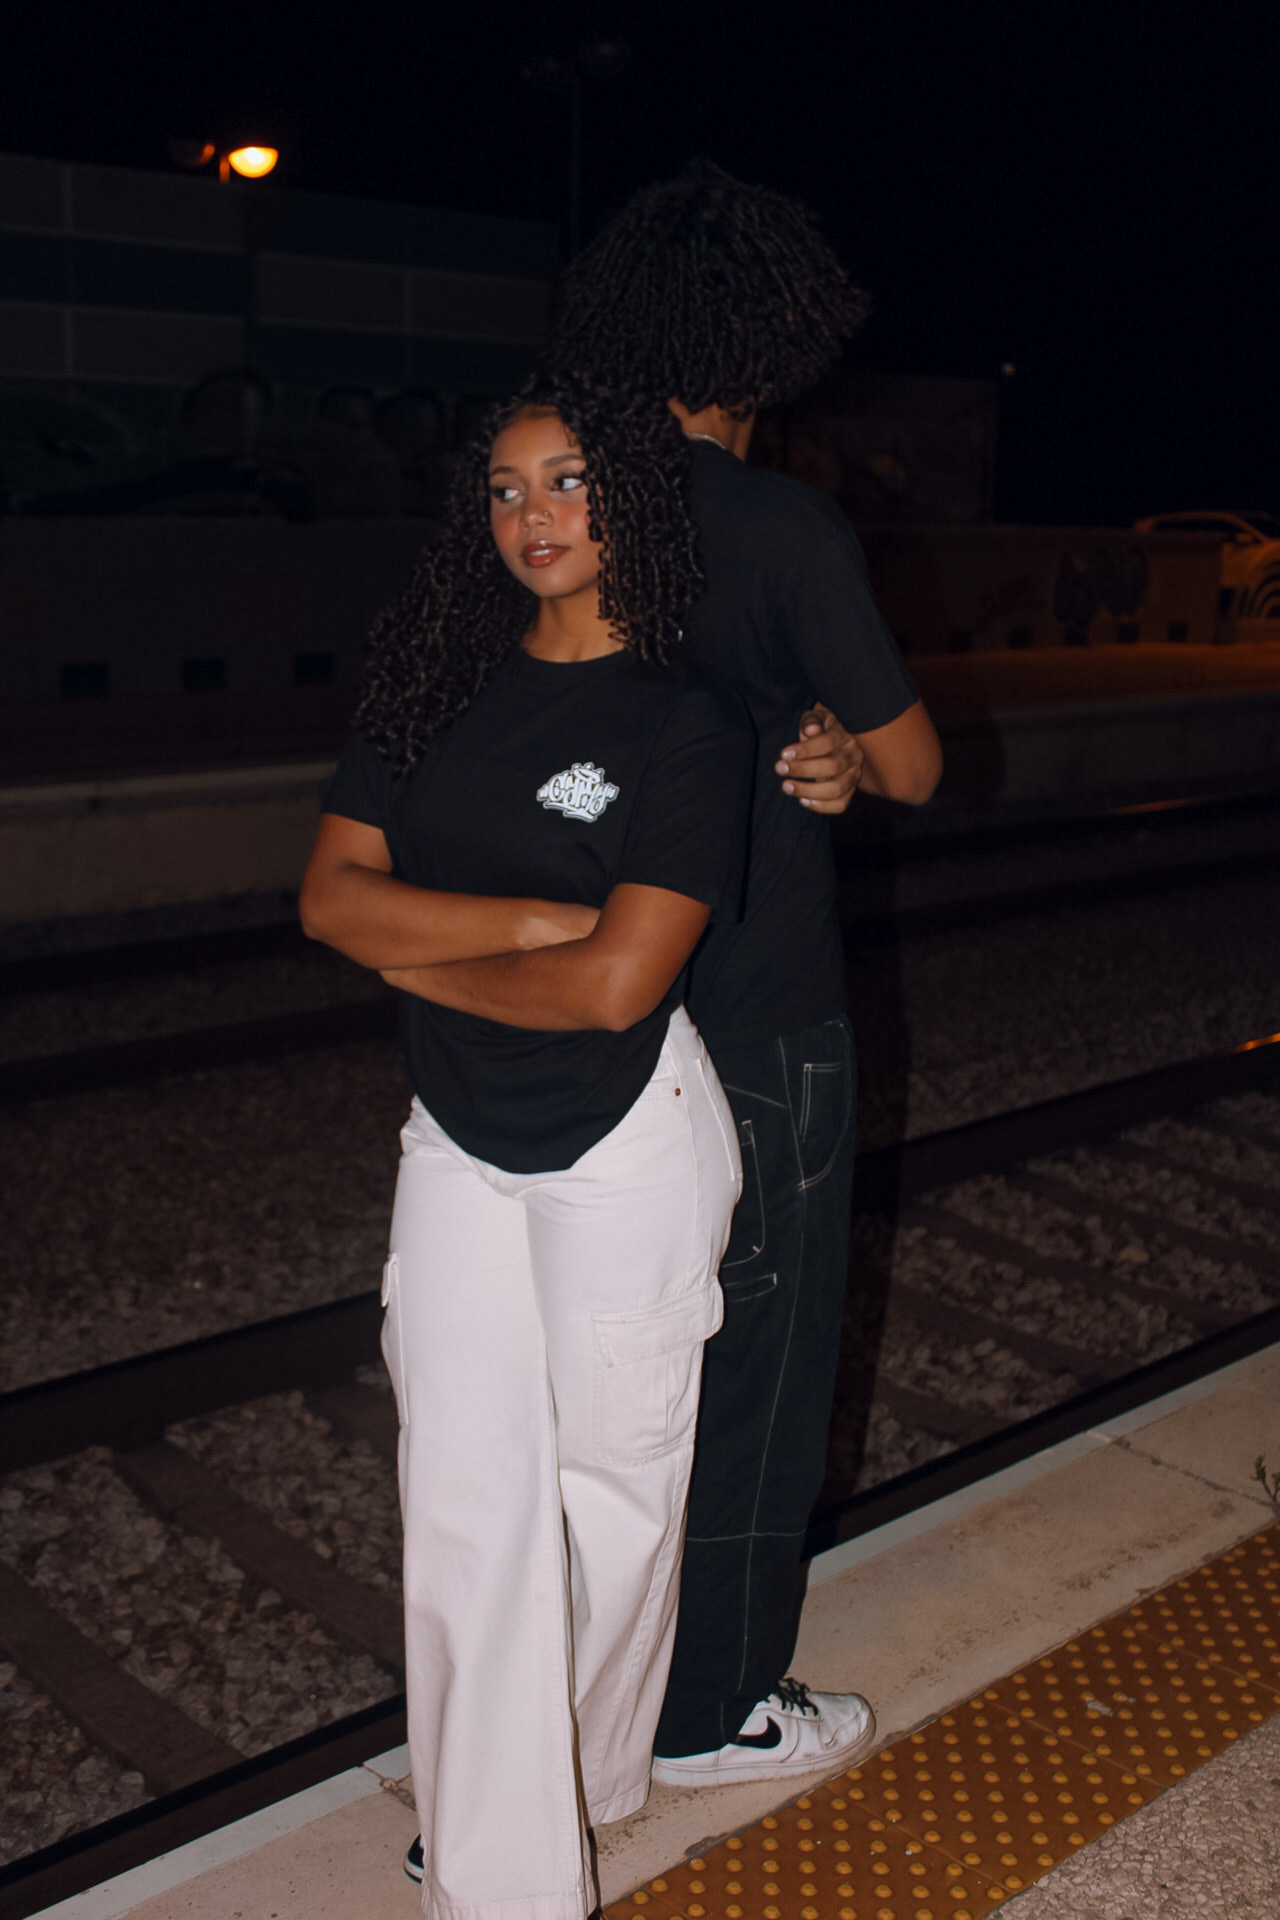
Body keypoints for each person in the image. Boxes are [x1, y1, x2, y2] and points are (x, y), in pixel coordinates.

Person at [299, 377, 751, 1920]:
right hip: (459, 1143)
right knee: (464, 1503)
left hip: (625, 1142)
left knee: (617, 1499)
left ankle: (588, 1772)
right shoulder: (430, 687)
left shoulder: (686, 719)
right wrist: (529, 925)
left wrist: (420, 958)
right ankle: (499, 1870)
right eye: (505, 488)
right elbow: (330, 897)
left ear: (632, 499)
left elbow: (619, 988)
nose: (534, 515)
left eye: (566, 481)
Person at [547, 161, 944, 1786]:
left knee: (590, 1362)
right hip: (758, 1012)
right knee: (755, 1354)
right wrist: (839, 738)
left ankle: (564, 1692)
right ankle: (710, 1711)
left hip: (573, 1005)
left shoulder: (548, 509)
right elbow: (915, 766)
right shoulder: (783, 526)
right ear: (772, 345)